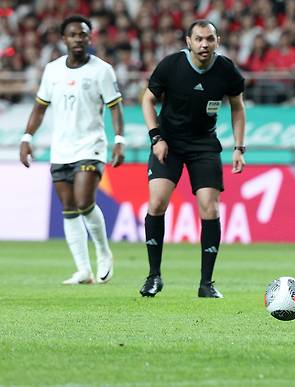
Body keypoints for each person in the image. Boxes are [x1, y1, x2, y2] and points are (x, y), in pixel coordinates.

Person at [139, 20, 246, 298]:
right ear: (188, 41)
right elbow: (147, 100)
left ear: (217, 41)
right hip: (169, 144)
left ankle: (206, 283)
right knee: (157, 202)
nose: (204, 44)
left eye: (209, 39)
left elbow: (237, 107)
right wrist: (156, 137)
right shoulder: (171, 66)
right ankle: (153, 276)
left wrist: (239, 147)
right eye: (198, 39)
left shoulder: (226, 70)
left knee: (210, 209)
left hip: (204, 145)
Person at [19, 15, 124, 285]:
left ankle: (103, 253)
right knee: (68, 207)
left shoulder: (102, 70)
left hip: (91, 145)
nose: (79, 38)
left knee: (84, 200)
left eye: (84, 34)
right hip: (61, 148)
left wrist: (120, 140)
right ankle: (83, 270)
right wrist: (27, 136)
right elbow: (40, 107)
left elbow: (115, 107)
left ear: (90, 38)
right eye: (74, 34)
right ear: (64, 39)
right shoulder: (53, 70)